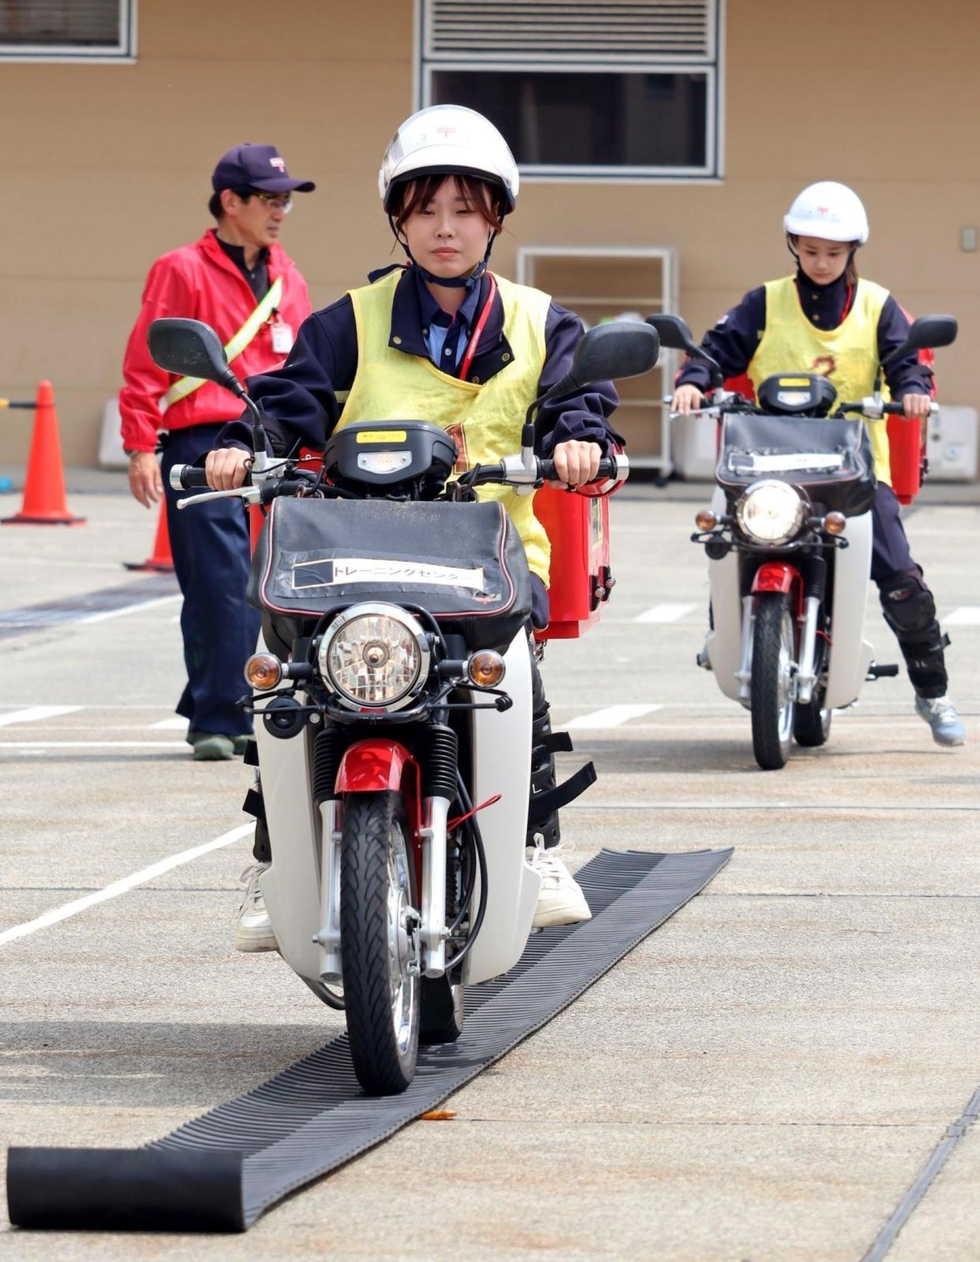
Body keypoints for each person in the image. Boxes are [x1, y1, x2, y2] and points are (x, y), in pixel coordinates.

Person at [205, 105, 623, 948]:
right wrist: (242, 447)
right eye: (426, 208)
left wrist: (580, 443)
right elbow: (289, 402)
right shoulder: (348, 322)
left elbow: (580, 402)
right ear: (397, 216)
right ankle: (274, 852)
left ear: (496, 217)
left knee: (519, 678)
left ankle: (537, 843)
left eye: (466, 209)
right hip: (352, 555)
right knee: (283, 674)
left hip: (486, 560)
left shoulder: (545, 323)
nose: (446, 229)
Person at [672, 180, 965, 748]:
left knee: (901, 578)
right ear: (792, 245)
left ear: (854, 249)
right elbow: (716, 349)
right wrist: (691, 382)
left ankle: (933, 692)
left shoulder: (879, 306)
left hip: (852, 468)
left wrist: (912, 391)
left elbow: (908, 364)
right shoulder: (764, 301)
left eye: (833, 252)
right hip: (766, 464)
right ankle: (726, 637)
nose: (821, 262)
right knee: (725, 545)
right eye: (809, 250)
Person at [119, 143, 315, 761]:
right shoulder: (180, 269)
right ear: (230, 201)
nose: (280, 210)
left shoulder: (290, 276)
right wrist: (141, 445)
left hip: (272, 443)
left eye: (285, 199)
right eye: (268, 198)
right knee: (218, 586)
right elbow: (147, 361)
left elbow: (306, 367)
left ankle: (250, 705)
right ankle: (216, 716)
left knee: (277, 583)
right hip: (202, 442)